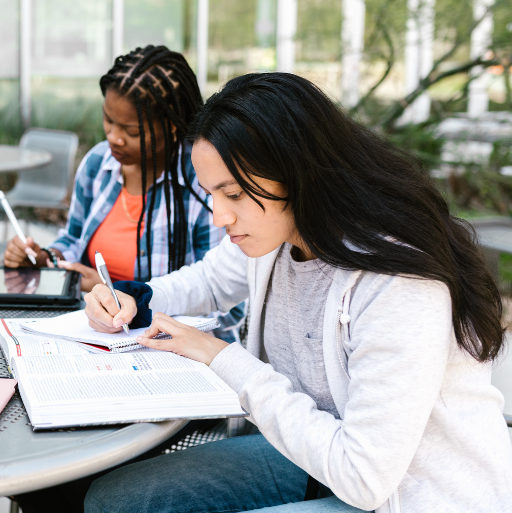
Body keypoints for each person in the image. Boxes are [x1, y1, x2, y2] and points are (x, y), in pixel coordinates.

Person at [82, 73, 512, 513]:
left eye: (233, 193)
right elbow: (208, 282)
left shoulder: (397, 282)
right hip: (316, 456)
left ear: (297, 173)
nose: (219, 216)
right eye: (212, 193)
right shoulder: (279, 233)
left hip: (407, 495)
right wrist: (134, 298)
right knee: (113, 500)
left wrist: (223, 358)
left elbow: (363, 479)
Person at [4, 44, 244, 341]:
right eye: (108, 120)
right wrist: (47, 259)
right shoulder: (97, 164)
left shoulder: (202, 182)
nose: (114, 138)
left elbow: (227, 301)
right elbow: (74, 239)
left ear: (171, 126)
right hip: (96, 335)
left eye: (131, 131)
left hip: (173, 349)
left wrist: (121, 293)